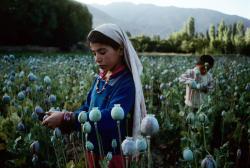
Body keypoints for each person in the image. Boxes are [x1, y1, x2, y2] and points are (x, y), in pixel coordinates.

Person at [42, 23, 147, 168]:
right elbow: (87, 107)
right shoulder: (101, 77)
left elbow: (111, 118)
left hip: (113, 154)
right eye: (94, 53)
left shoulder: (127, 83)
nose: (97, 58)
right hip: (93, 148)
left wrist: (67, 118)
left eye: (102, 52)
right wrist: (64, 118)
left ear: (120, 50)